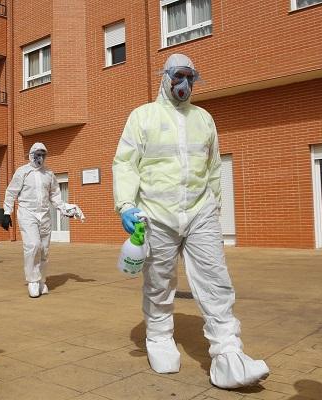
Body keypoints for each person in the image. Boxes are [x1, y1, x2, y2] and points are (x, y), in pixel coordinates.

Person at [112, 54, 269, 389]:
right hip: (156, 213)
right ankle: (159, 337)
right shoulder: (143, 117)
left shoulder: (204, 119)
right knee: (159, 281)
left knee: (216, 281)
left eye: (190, 78)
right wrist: (126, 204)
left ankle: (228, 354)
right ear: (165, 77)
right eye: (178, 77)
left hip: (199, 212)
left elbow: (213, 169)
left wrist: (215, 207)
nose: (184, 85)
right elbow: (125, 163)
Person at [3, 142, 85, 298]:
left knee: (44, 250)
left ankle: (41, 280)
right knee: (33, 245)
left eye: (43, 155)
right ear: (31, 155)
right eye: (38, 154)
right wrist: (7, 212)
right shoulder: (22, 172)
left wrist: (65, 208)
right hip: (28, 213)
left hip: (44, 215)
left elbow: (55, 195)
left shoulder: (49, 174)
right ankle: (32, 281)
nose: (40, 158)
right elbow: (11, 192)